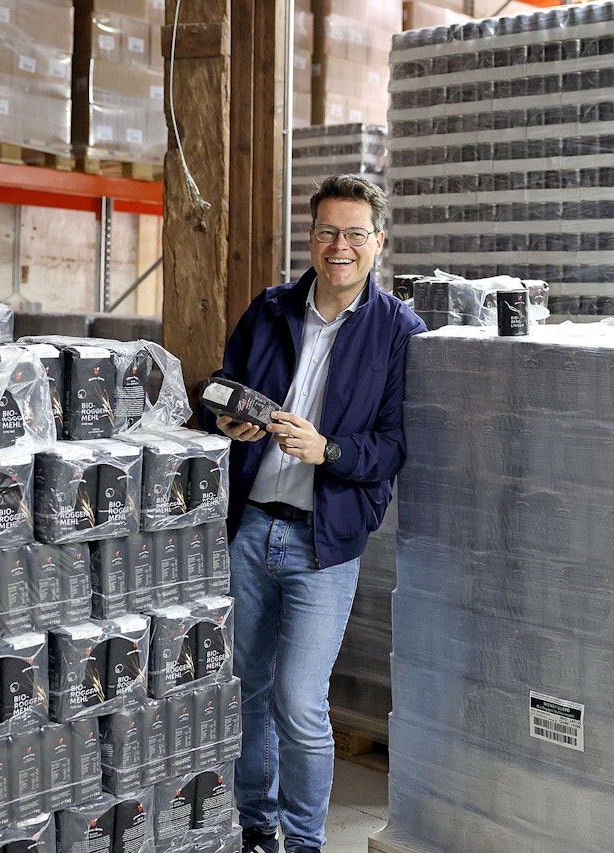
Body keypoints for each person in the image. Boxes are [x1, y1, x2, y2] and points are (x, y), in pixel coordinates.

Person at [201, 174, 426, 853]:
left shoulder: (399, 332)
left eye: (355, 234)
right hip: (251, 528)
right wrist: (225, 419)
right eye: (328, 232)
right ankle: (256, 826)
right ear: (311, 237)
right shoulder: (271, 308)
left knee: (299, 702)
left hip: (322, 543)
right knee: (248, 687)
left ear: (378, 242)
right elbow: (219, 387)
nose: (339, 247)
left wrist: (328, 450)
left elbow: (394, 447)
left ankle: (304, 841)